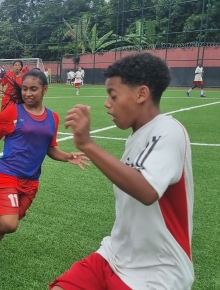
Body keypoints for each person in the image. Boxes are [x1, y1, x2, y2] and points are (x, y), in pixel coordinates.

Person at [52, 53, 194, 290]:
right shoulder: (137, 137)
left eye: (113, 95)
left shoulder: (169, 130)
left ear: (141, 94)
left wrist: (87, 144)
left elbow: (147, 191)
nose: (107, 103)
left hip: (157, 273)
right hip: (114, 255)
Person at [0, 68, 88, 282]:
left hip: (31, 182)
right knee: (9, 224)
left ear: (45, 89)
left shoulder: (52, 117)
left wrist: (67, 156)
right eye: (25, 89)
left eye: (33, 89)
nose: (28, 93)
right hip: (7, 176)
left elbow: (50, 148)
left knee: (4, 224)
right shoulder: (13, 112)